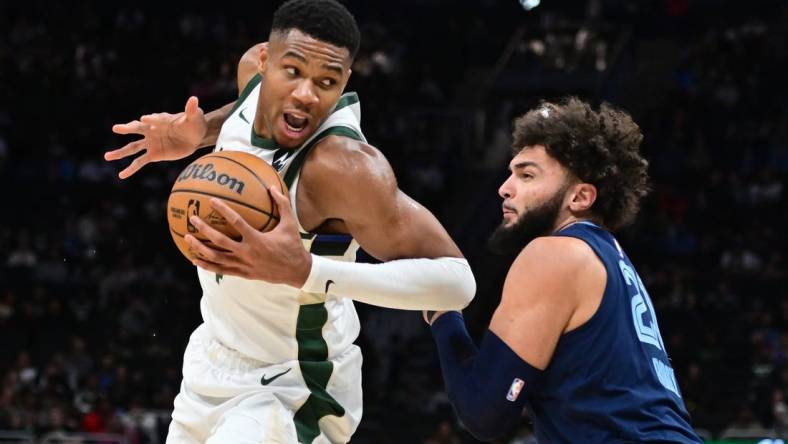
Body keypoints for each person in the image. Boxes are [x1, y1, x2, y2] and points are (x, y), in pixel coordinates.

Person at [105, 1, 476, 443]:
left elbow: (457, 282)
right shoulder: (251, 76)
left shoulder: (343, 168)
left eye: (327, 82)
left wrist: (308, 271)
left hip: (293, 384)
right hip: (211, 358)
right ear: (264, 61)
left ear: (345, 83)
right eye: (293, 72)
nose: (306, 95)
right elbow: (247, 109)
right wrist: (200, 130)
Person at [424, 98, 702, 443]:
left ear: (580, 197)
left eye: (526, 175)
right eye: (510, 173)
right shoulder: (608, 257)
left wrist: (442, 312)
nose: (505, 188)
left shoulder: (556, 253)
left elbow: (485, 412)